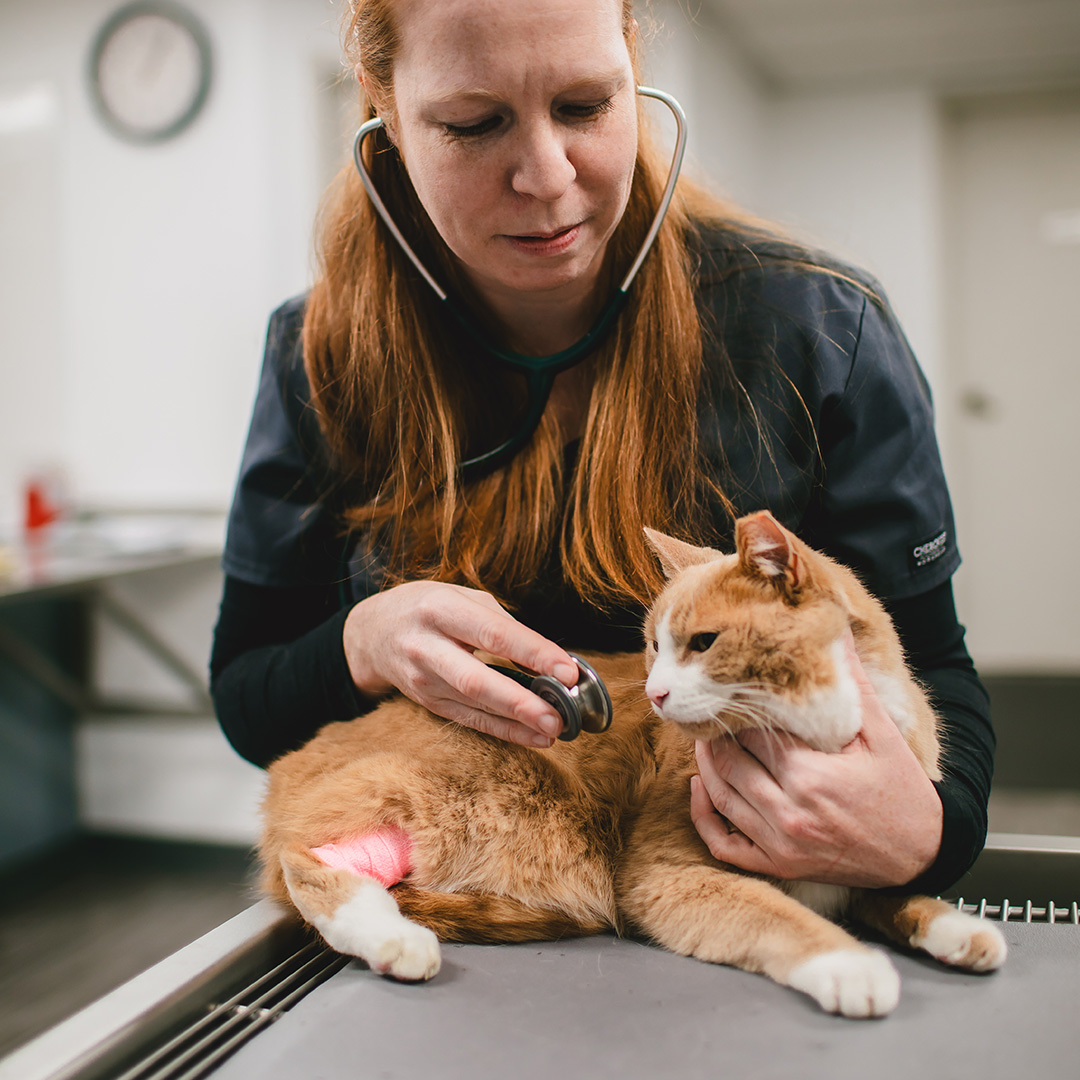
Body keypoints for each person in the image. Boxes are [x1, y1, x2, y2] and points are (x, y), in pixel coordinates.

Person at [211, 0, 993, 897]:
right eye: (475, 123)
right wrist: (362, 640)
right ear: (386, 120)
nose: (546, 176)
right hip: (451, 903)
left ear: (633, 73)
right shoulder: (321, 354)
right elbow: (248, 697)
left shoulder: (822, 330)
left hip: (745, 913)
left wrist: (932, 830)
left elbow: (932, 668)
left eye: (585, 106)